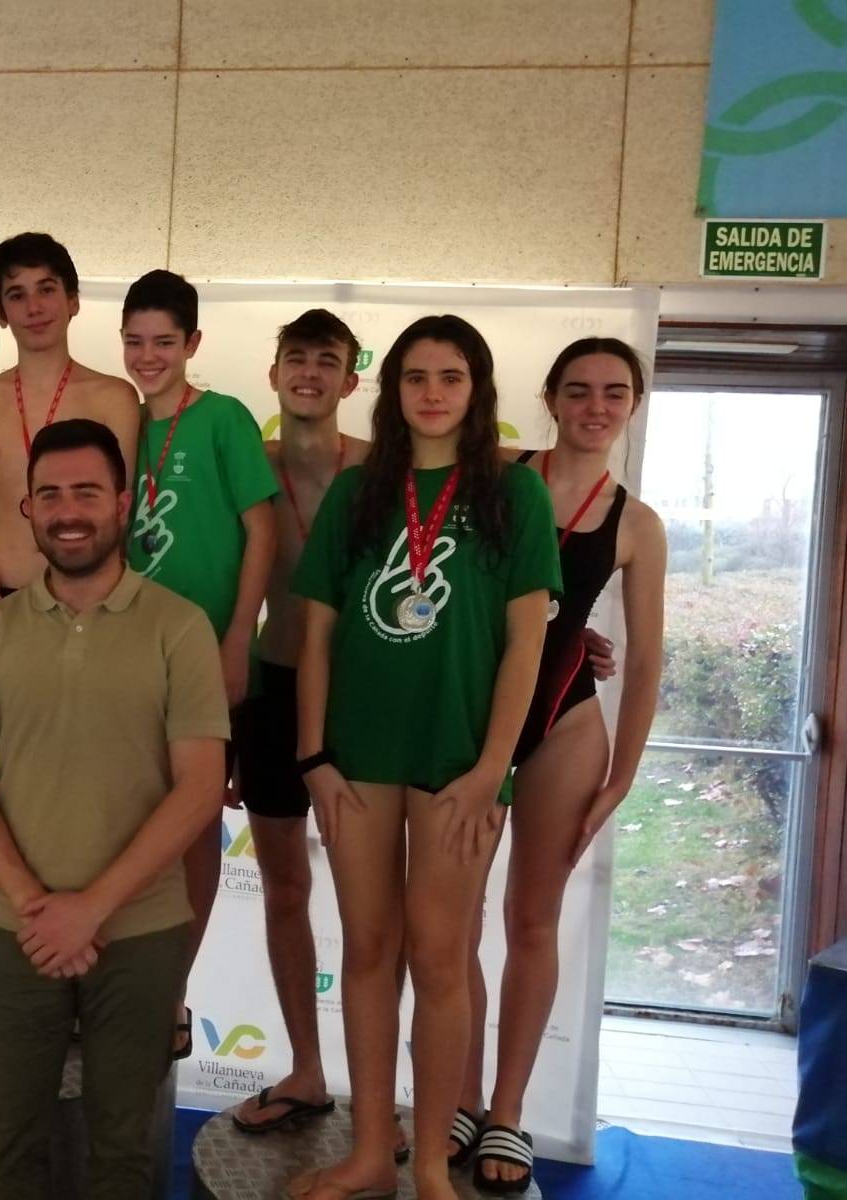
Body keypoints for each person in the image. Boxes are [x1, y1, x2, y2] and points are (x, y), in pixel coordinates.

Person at [287, 314, 560, 1200]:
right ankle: (372, 1154)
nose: (433, 392)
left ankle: (434, 1167)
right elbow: (317, 634)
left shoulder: (516, 496)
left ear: (478, 389)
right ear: (392, 389)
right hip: (357, 757)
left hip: (457, 763)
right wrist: (314, 755)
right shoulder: (358, 491)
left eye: (450, 376)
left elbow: (527, 646)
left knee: (441, 960)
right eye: (415, 377)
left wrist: (493, 769)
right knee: (368, 952)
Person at [0, 419, 228, 1198]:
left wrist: (91, 909)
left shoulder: (181, 627)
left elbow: (201, 786)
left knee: (125, 1153)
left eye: (88, 492)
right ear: (27, 509)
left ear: (125, 502)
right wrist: (40, 908)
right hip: (16, 932)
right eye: (51, 494)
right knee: (12, 1147)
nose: (69, 511)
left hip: (140, 934)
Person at [454, 339, 666, 1194]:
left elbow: (647, 661)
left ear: (633, 404)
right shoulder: (499, 475)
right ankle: (459, 1097)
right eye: (578, 390)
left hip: (569, 724)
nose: (595, 406)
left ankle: (508, 1111)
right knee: (453, 923)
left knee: (530, 922)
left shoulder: (636, 523)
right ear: (549, 397)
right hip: (475, 717)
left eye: (614, 393)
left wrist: (622, 777)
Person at [0, 230, 140, 1041]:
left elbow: (116, 520)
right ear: (0, 310)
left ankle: (90, 973)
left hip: (95, 621)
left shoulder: (115, 398)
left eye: (46, 288)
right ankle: (5, 984)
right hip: (0, 612)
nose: (33, 305)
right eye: (15, 293)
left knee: (92, 802)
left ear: (74, 298)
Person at [121, 268, 278, 1057]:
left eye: (164, 342)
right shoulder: (116, 419)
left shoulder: (223, 419)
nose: (148, 357)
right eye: (136, 342)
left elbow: (263, 531)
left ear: (193, 345)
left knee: (192, 824)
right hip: (121, 659)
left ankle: (173, 994)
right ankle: (119, 981)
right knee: (120, 820)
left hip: (205, 657)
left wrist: (236, 636)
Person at [229, 309, 369, 1133]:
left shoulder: (384, 470)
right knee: (286, 886)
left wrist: (565, 624)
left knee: (370, 903)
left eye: (327, 360)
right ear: (275, 375)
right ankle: (309, 1070)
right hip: (273, 689)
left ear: (351, 381)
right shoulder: (251, 468)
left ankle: (383, 1088)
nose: (309, 372)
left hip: (362, 701)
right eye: (296, 359)